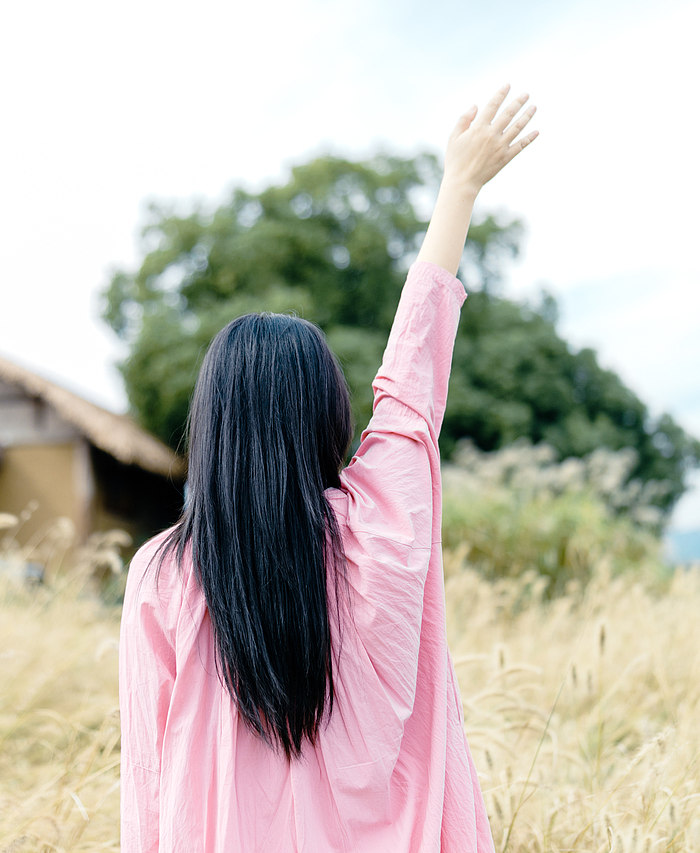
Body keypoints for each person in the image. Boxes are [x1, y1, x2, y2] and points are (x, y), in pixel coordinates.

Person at [119, 85, 538, 852]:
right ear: (326, 416)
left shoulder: (162, 573)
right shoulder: (375, 532)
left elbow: (148, 783)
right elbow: (411, 392)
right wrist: (458, 188)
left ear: (213, 427)